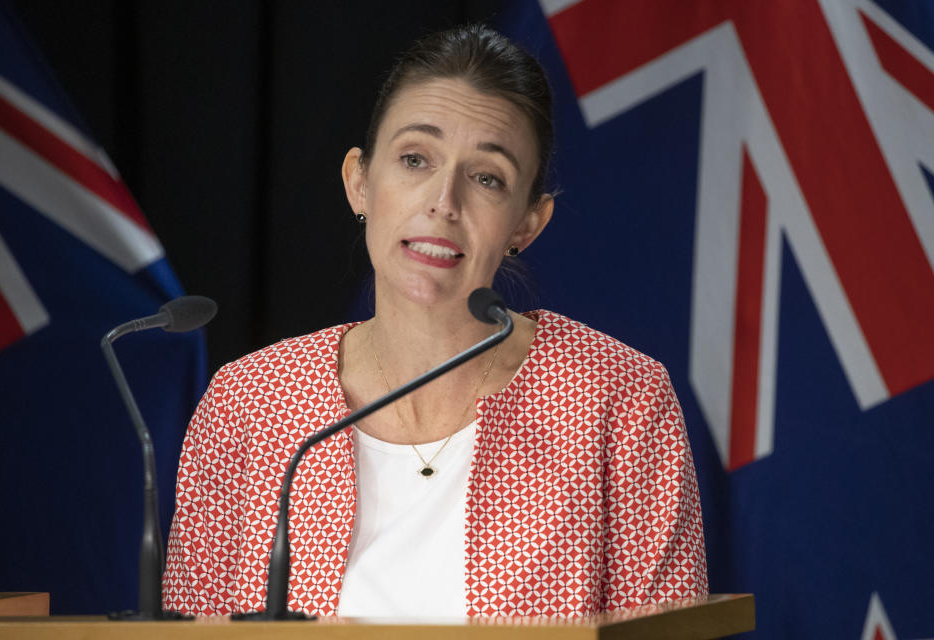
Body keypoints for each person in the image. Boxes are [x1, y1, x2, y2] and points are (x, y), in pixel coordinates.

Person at [162, 24, 707, 618]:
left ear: (528, 223)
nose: (444, 201)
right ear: (359, 182)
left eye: (487, 178)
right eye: (415, 159)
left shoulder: (618, 398)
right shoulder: (251, 405)